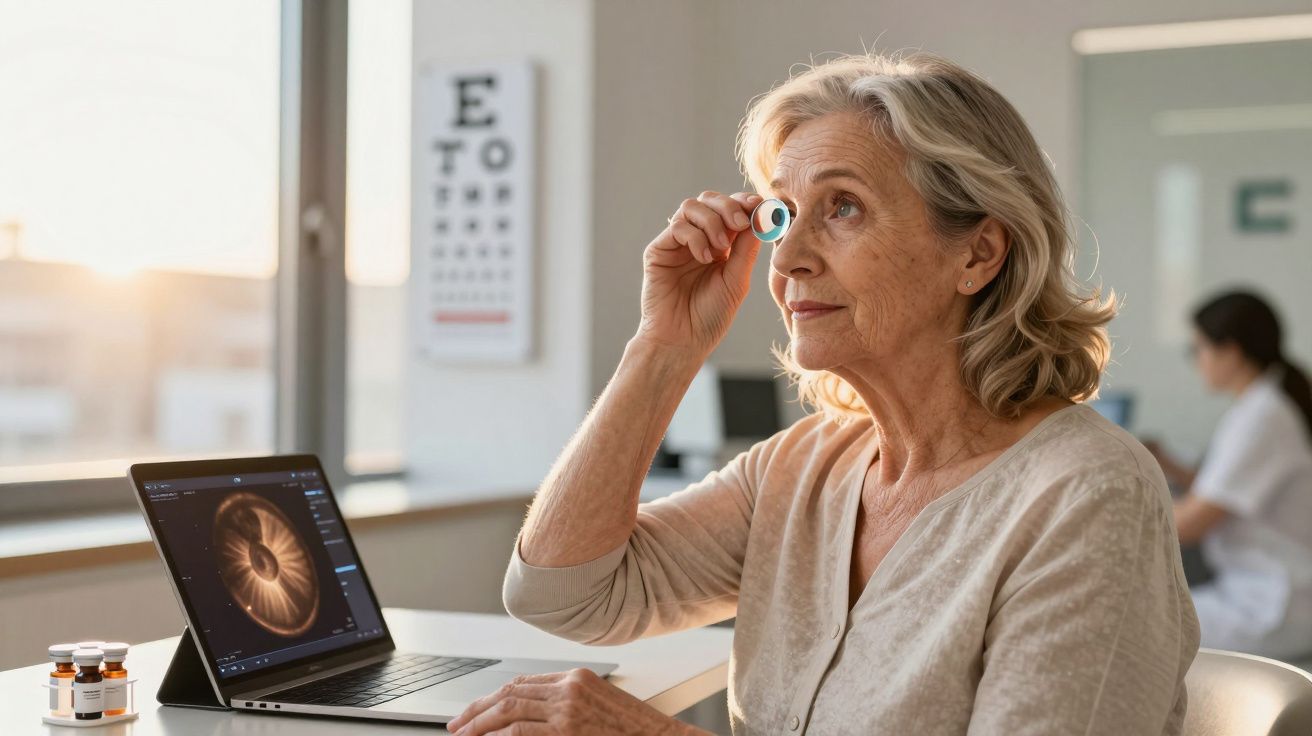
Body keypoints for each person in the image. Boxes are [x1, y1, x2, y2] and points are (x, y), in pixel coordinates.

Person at [446, 52, 1199, 736]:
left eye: (843, 207)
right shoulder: (803, 468)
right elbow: (558, 594)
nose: (790, 259)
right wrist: (663, 348)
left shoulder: (1088, 493)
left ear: (977, 252)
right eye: (782, 215)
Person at [1150, 291, 1312, 659]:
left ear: (1231, 351)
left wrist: (1116, 506)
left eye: (1199, 349)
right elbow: (1224, 491)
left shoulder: (1263, 418)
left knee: (1136, 622)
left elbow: (1189, 524)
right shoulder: (1259, 407)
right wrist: (1168, 465)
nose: (1198, 362)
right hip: (1257, 589)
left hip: (1274, 602)